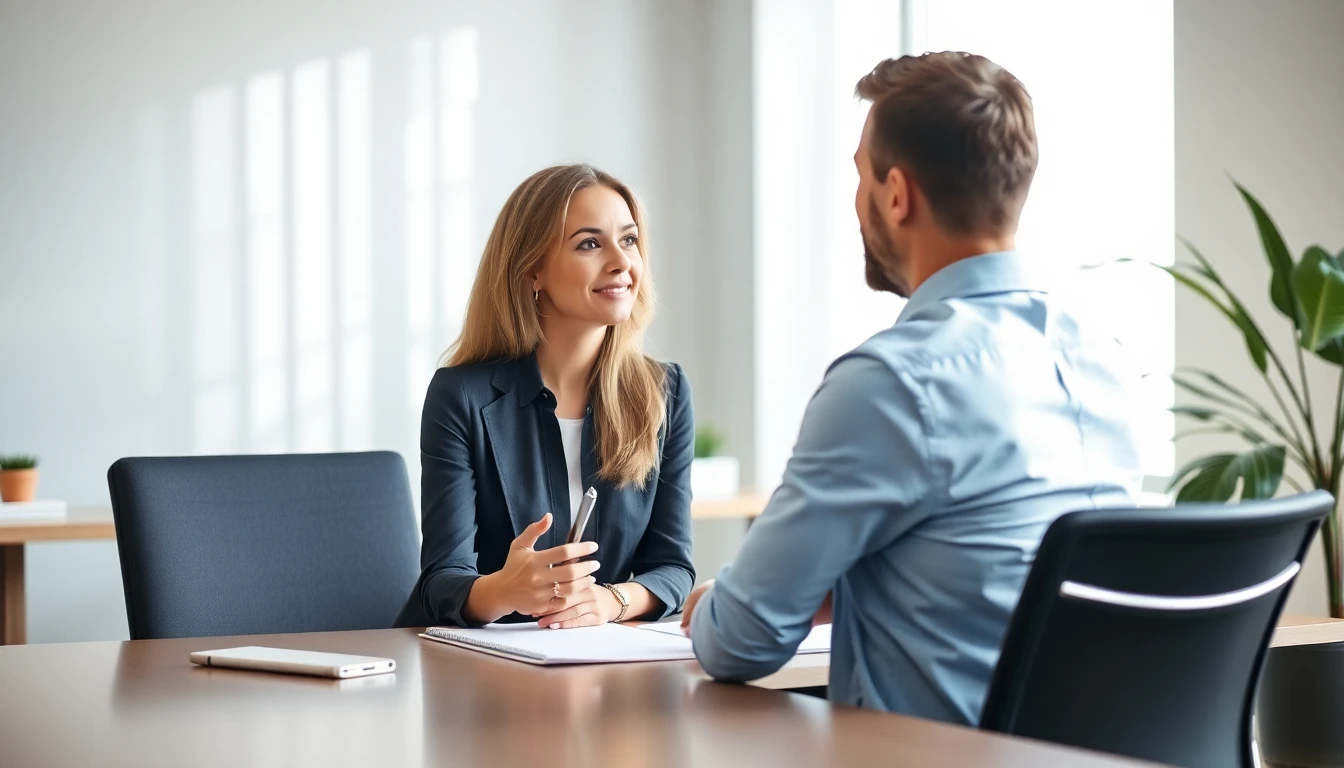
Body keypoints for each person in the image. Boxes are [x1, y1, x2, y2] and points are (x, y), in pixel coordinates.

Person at [681, 52, 1142, 724]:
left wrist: (711, 606)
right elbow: (1007, 570)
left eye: (860, 174)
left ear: (896, 194)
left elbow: (742, 640)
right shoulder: (1105, 359)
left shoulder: (894, 383)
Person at [397, 164, 695, 630]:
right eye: (590, 243)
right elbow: (441, 581)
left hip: (598, 664)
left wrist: (610, 601)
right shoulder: (461, 396)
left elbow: (674, 567)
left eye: (630, 239)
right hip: (479, 672)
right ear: (532, 269)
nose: (622, 262)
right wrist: (504, 589)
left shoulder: (664, 392)